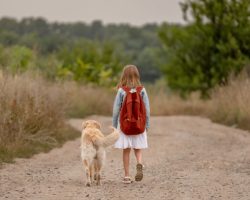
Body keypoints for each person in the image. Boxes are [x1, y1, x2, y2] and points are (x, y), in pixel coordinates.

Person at [112, 65, 150, 184]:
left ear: (124, 76)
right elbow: (147, 110)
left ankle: (127, 176)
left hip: (125, 125)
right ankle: (139, 163)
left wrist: (114, 127)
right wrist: (147, 125)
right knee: (137, 149)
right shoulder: (142, 90)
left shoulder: (121, 90)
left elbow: (115, 110)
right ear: (137, 75)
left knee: (126, 150)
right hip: (139, 124)